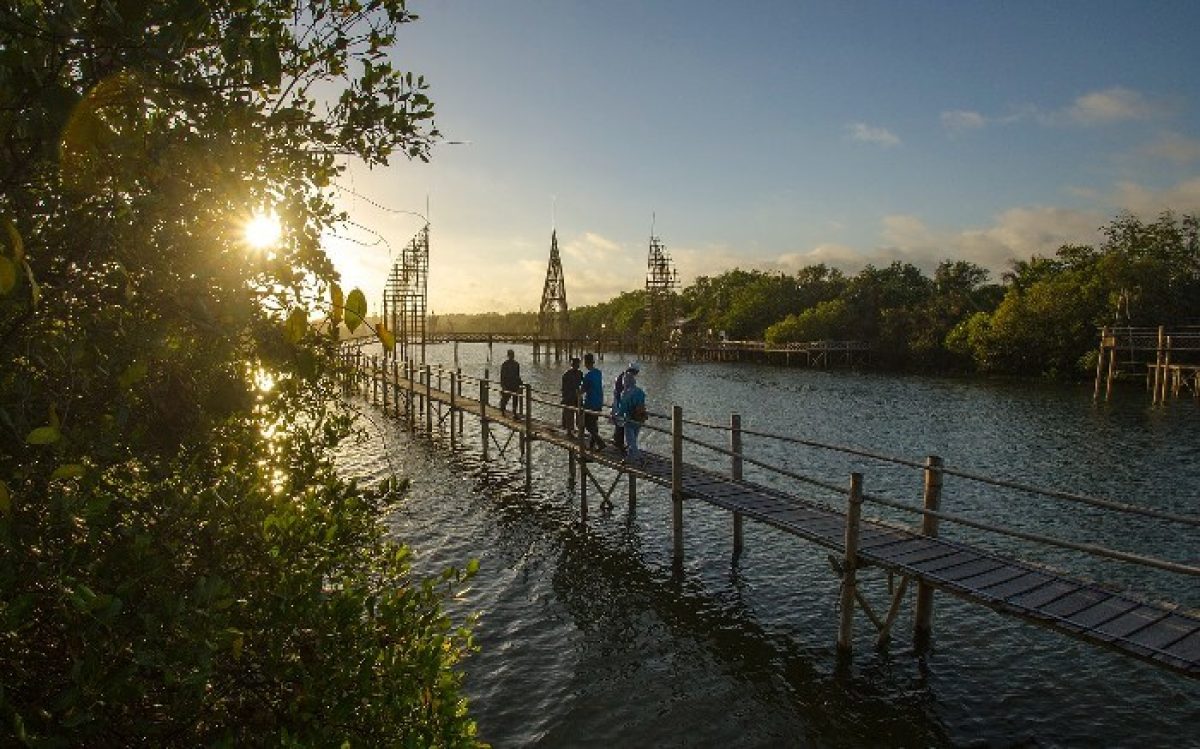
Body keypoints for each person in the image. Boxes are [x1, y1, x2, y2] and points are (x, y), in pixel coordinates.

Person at [617, 369, 647, 465]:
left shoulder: (625, 393)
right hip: (639, 418)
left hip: (630, 419)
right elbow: (642, 404)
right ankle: (629, 458)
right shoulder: (640, 391)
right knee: (634, 439)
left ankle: (640, 458)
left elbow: (623, 408)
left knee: (630, 442)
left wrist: (617, 416)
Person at [610, 361, 640, 452]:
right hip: (621, 402)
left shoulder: (623, 375)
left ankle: (618, 442)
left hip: (619, 401)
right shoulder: (627, 377)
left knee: (619, 423)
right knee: (621, 423)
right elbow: (626, 392)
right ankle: (620, 443)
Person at [581, 353, 605, 449]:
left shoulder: (588, 376)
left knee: (587, 424)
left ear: (586, 363)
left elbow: (583, 389)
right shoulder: (598, 373)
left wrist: (577, 392)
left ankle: (600, 442)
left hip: (591, 403)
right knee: (594, 423)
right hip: (599, 401)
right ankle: (591, 444)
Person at [560, 357, 583, 435]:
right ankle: (569, 431)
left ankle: (578, 431)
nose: (576, 366)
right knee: (569, 415)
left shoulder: (580, 373)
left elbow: (581, 385)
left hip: (576, 397)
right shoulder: (566, 374)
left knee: (578, 415)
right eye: (575, 364)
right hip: (569, 397)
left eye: (577, 364)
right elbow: (564, 388)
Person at [499, 348, 522, 417]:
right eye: (511, 355)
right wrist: (503, 385)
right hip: (507, 384)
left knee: (515, 399)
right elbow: (502, 376)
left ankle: (514, 413)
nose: (512, 356)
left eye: (512, 355)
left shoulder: (516, 364)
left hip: (514, 384)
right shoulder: (505, 364)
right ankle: (502, 410)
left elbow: (517, 375)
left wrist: (520, 383)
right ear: (508, 355)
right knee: (505, 398)